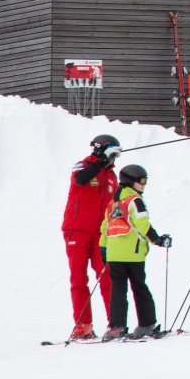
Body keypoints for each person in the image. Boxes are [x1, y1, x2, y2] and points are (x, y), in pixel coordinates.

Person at [101, 164, 172, 340]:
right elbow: (143, 225)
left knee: (118, 291)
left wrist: (104, 251)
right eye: (141, 181)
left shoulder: (113, 203)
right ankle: (147, 325)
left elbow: (105, 229)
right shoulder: (135, 200)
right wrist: (158, 240)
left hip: (114, 255)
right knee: (140, 288)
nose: (144, 184)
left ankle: (116, 327)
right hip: (133, 254)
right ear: (130, 182)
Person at [62, 133, 121, 340]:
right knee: (79, 278)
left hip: (101, 234)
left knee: (107, 277)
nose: (114, 159)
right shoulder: (82, 165)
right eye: (111, 154)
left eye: (116, 155)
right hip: (77, 229)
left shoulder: (113, 177)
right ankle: (83, 325)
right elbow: (80, 179)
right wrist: (99, 163)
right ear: (99, 150)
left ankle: (115, 324)